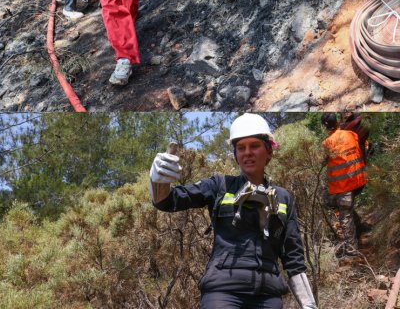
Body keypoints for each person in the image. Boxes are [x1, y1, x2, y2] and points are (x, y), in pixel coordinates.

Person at [149, 114, 317, 309]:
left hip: (268, 294)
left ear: (269, 151)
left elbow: (293, 255)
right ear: (236, 155)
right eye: (241, 148)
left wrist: (308, 303)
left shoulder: (283, 198)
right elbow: (168, 201)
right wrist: (157, 182)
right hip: (222, 291)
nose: (247, 153)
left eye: (254, 146)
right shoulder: (219, 186)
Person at [321, 113, 367, 258]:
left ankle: (352, 251)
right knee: (347, 208)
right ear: (337, 122)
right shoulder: (351, 134)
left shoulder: (327, 143)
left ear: (325, 127)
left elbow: (322, 160)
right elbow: (363, 147)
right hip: (358, 181)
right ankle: (360, 230)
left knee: (345, 216)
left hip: (343, 186)